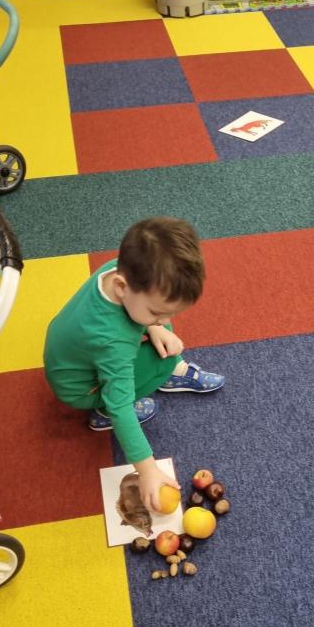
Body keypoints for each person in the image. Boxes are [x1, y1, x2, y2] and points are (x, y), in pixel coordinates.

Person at [43, 217, 225, 511]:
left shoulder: (119, 270)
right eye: (157, 312)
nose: (167, 320)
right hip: (82, 390)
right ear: (122, 286)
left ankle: (160, 352)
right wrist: (147, 469)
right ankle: (100, 413)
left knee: (162, 337)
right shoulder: (113, 342)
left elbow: (143, 315)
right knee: (163, 362)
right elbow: (121, 405)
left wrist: (153, 325)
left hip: (73, 359)